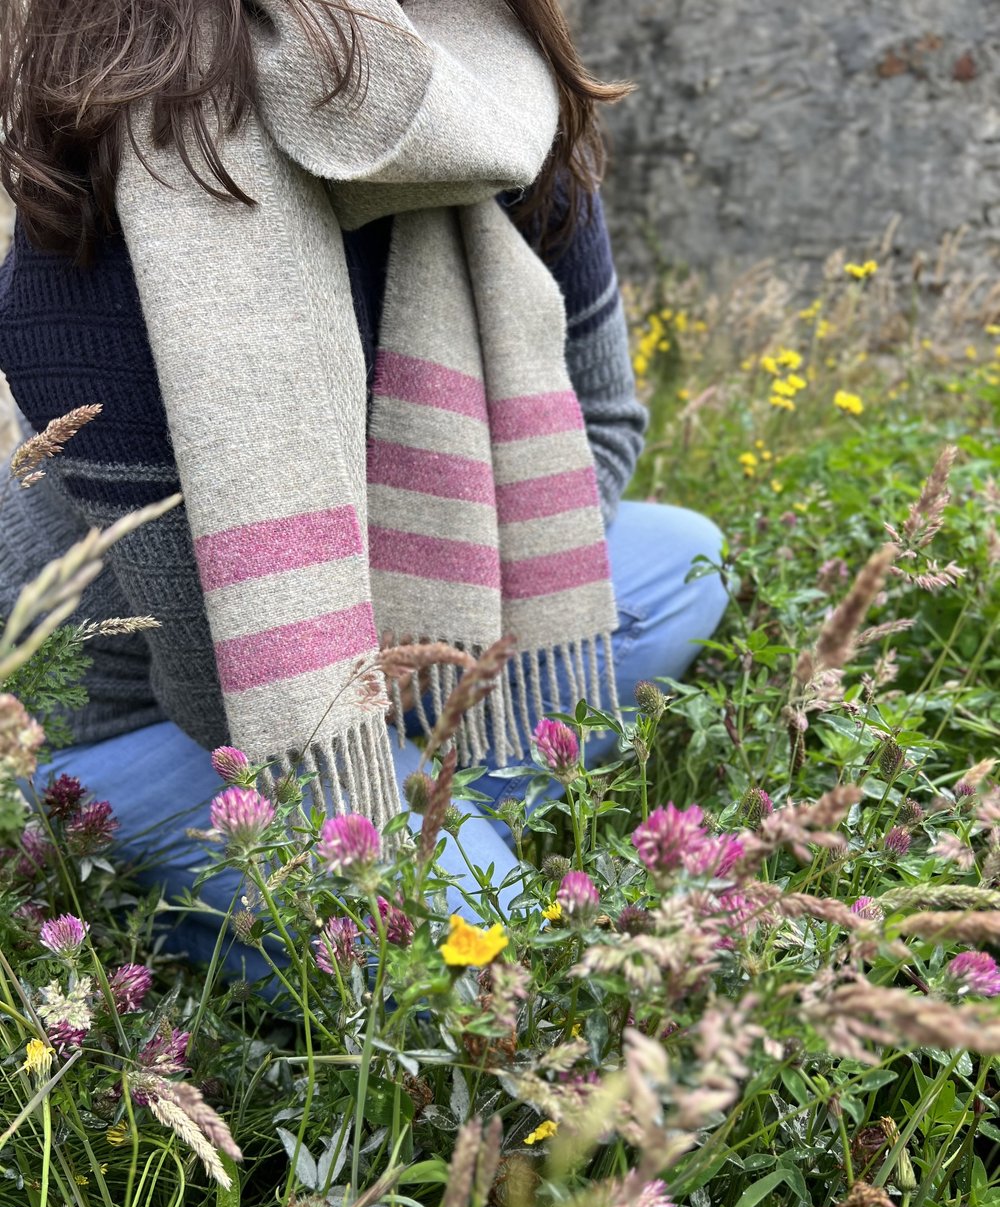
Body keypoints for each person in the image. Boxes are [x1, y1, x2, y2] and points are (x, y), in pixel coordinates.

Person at [0, 0, 727, 972]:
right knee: (485, 963)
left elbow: (604, 422)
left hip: (390, 638)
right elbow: (225, 691)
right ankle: (126, 869)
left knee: (688, 562)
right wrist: (438, 673)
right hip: (146, 716)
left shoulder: (495, 98)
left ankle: (412, 809)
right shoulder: (110, 218)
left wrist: (445, 605)